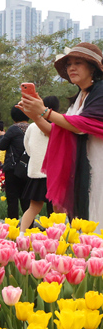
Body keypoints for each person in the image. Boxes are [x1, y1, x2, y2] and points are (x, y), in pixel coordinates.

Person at [17, 42, 103, 222]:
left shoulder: (100, 92)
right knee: (84, 220)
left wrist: (44, 112)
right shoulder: (80, 97)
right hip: (83, 169)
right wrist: (36, 116)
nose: (71, 68)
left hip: (98, 167)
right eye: (69, 64)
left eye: (78, 63)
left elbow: (82, 126)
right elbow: (57, 131)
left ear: (92, 67)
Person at [17, 96, 60, 231]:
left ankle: (21, 234)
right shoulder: (59, 125)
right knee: (57, 209)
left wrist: (36, 157)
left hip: (37, 172)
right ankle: (58, 236)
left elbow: (27, 148)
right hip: (54, 173)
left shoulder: (32, 127)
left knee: (33, 207)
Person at [0, 106, 31, 220]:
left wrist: (1, 136)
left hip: (13, 169)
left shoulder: (13, 129)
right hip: (28, 168)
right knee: (26, 201)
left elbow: (2, 146)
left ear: (13, 117)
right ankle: (29, 226)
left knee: (12, 200)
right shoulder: (33, 128)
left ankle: (13, 225)